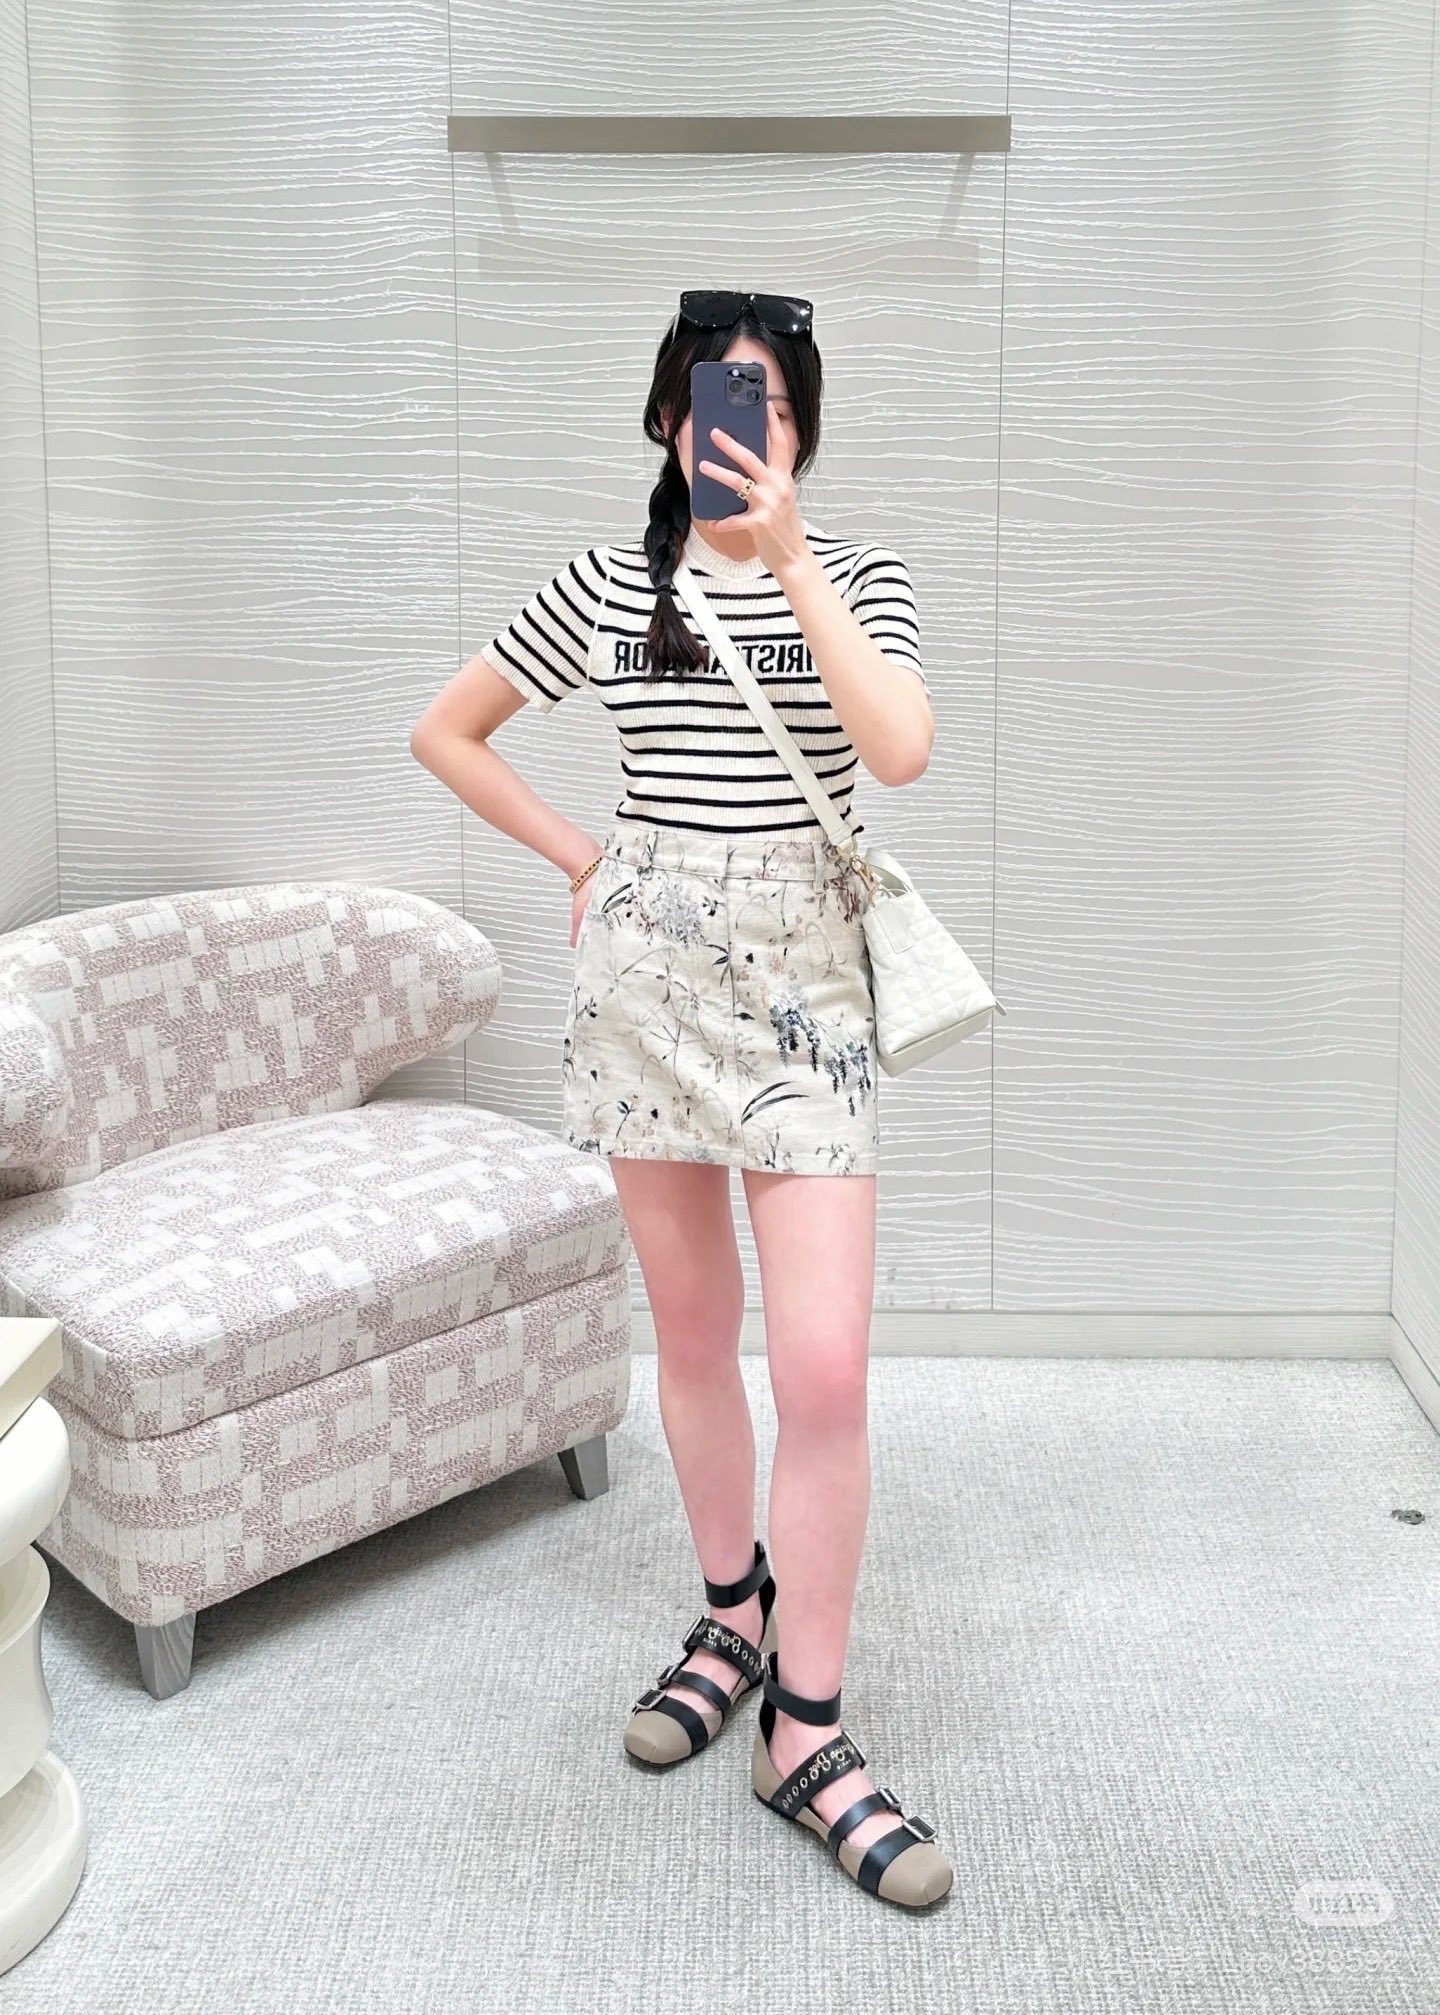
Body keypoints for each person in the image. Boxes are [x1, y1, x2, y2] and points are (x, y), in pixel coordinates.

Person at [409, 289, 951, 1909]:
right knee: (696, 1337)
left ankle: (808, 1731)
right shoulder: (609, 584)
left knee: (827, 1371)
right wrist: (582, 855)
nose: (745, 422)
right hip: (647, 991)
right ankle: (731, 1614)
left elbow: (901, 751)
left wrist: (788, 560)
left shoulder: (859, 578)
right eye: (720, 396)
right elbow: (447, 731)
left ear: (802, 428)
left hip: (807, 999)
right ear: (669, 421)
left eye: (771, 400)